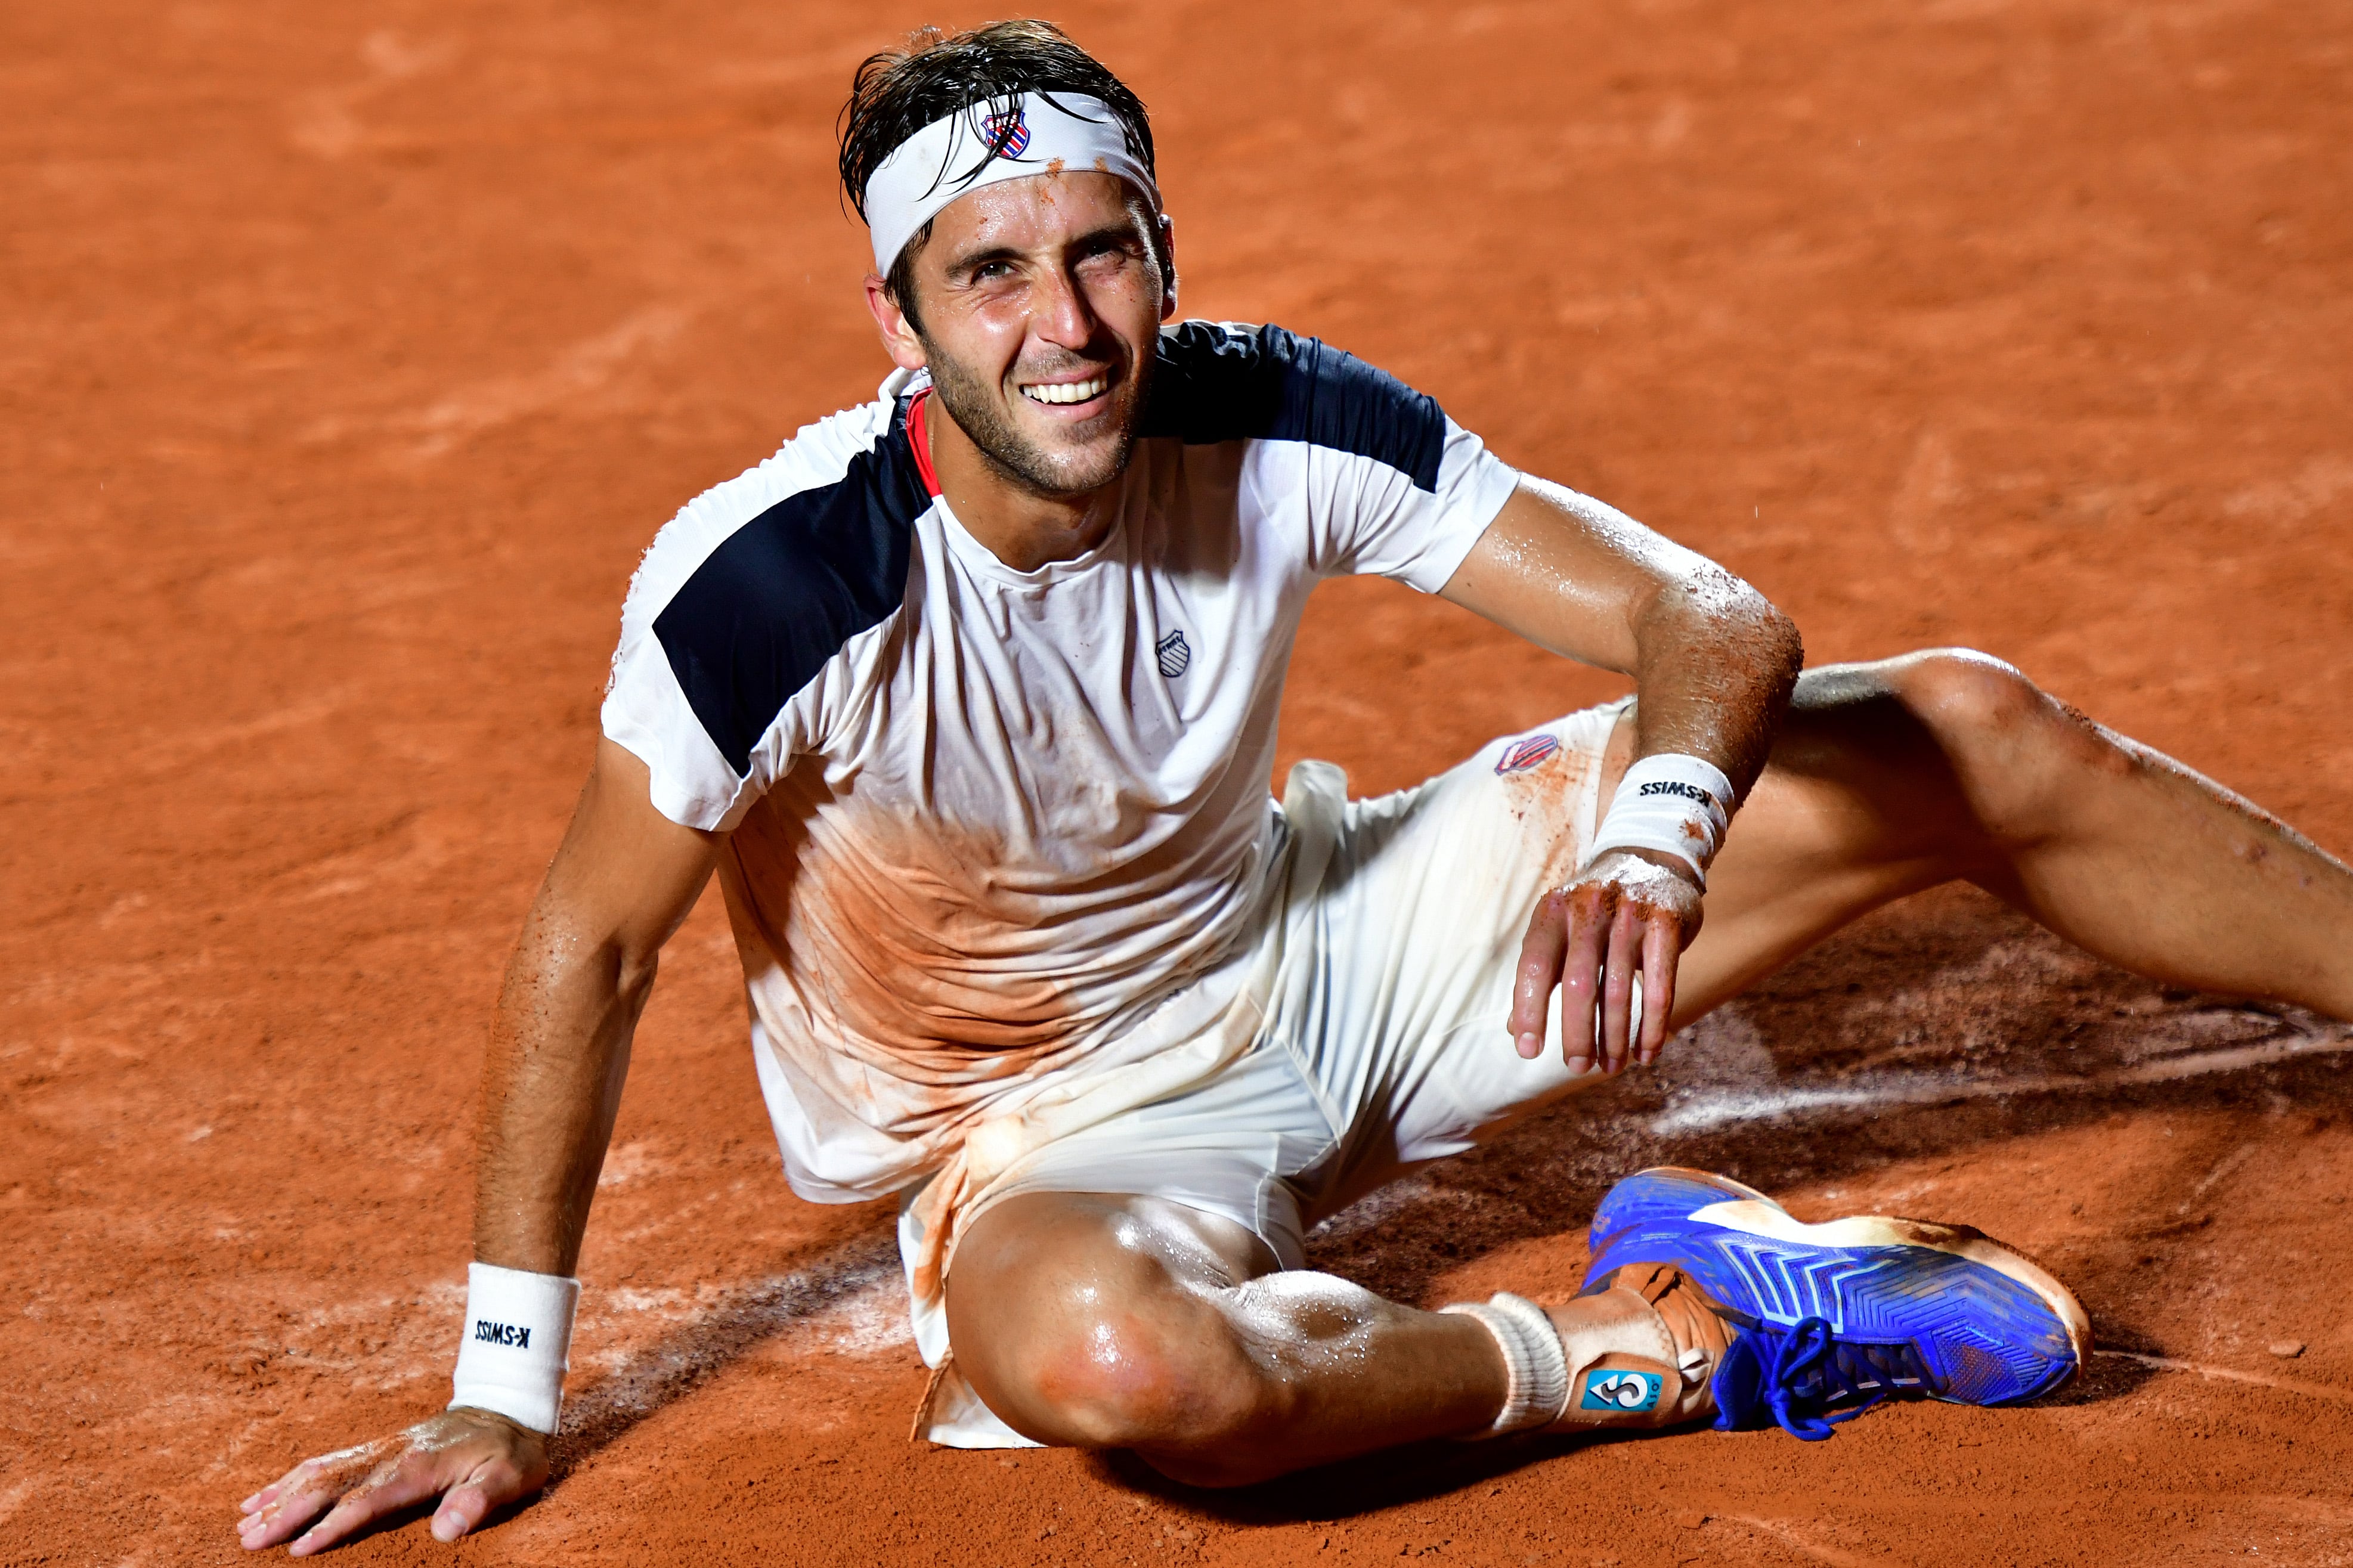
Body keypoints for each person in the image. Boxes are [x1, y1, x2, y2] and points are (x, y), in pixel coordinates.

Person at [235, 18, 2352, 1555]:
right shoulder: (774, 588)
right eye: (990, 273)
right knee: (1133, 1376)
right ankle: (1669, 1341)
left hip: (1336, 937)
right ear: (895, 319)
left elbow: (1700, 614)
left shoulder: (1272, 416)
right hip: (1036, 1127)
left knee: (1969, 725)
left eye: (1103, 253)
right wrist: (498, 1392)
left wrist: (1651, 838)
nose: (1066, 328)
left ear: (1165, 250)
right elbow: (591, 947)